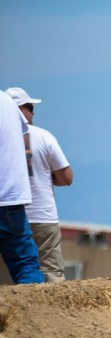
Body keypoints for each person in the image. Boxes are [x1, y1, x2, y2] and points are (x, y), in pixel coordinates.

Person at [7, 88, 72, 283]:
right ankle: (52, 313)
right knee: (51, 273)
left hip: (8, 213)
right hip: (42, 215)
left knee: (12, 275)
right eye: (30, 107)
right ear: (19, 109)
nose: (33, 112)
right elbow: (66, 178)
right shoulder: (44, 137)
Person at [0, 91, 42, 284]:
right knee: (25, 264)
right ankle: (34, 312)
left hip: (10, 194)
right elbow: (24, 139)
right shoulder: (6, 101)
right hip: (11, 195)